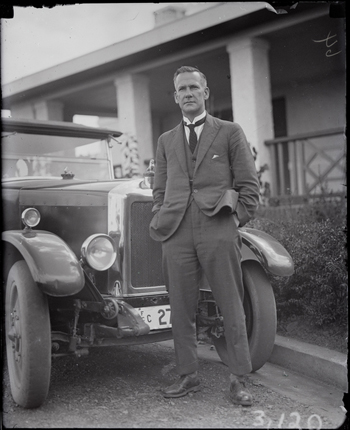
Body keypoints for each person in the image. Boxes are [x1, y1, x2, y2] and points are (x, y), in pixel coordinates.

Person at [149, 66, 260, 406]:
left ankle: (239, 380)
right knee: (181, 306)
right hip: (177, 232)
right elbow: (159, 189)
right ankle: (188, 376)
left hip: (218, 228)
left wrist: (232, 222)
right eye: (181, 89)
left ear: (206, 92)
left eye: (194, 87)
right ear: (175, 96)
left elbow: (249, 189)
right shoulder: (166, 140)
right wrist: (160, 216)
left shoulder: (229, 132)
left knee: (230, 303)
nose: (188, 93)